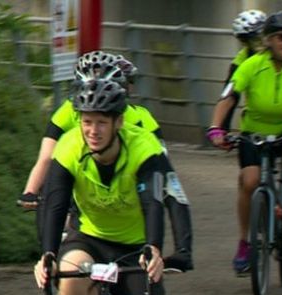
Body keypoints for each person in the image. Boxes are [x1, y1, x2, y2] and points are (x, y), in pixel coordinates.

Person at [33, 78, 171, 295]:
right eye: (87, 121)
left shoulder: (145, 148)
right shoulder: (69, 146)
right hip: (90, 239)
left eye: (101, 122)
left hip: (134, 246)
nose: (93, 130)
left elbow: (154, 204)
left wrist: (154, 248)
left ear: (118, 123)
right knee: (68, 273)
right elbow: (55, 201)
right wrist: (47, 253)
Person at [19, 51, 193, 272]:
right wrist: (30, 191)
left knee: (168, 191)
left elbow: (166, 179)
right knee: (52, 200)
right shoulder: (67, 112)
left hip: (130, 188)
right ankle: (51, 262)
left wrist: (181, 250)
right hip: (81, 181)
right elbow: (46, 157)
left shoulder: (140, 119)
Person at [207, 11, 282, 275]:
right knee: (248, 182)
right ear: (269, 40)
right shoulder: (251, 64)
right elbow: (229, 96)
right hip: (255, 130)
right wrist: (216, 128)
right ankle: (244, 242)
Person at [222, 9, 282, 220]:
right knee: (250, 178)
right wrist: (222, 128)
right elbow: (230, 97)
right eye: (247, 40)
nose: (253, 43)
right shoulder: (243, 61)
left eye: (256, 37)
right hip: (257, 119)